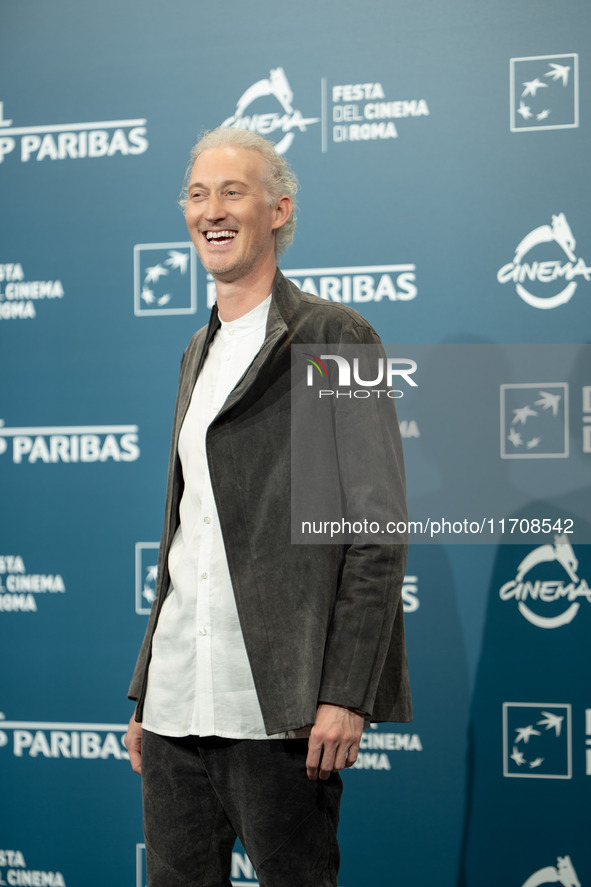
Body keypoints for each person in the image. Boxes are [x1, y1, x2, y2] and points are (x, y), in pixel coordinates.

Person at [125, 126, 411, 887]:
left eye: (231, 191)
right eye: (195, 193)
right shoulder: (197, 350)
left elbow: (375, 533)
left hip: (278, 713)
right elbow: (189, 534)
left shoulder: (333, 335)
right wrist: (149, 685)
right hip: (176, 706)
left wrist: (345, 692)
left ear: (279, 209)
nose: (209, 210)